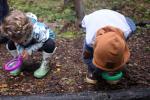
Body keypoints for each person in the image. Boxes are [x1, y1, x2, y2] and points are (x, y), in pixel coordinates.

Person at [81, 9, 136, 84]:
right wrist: (98, 68)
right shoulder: (90, 40)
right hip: (93, 18)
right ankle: (92, 70)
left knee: (117, 48)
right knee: (89, 55)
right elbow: (86, 58)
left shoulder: (127, 30)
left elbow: (131, 22)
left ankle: (115, 64)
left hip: (116, 18)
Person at [1, 10, 56, 78]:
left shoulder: (38, 30)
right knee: (10, 43)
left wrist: (29, 50)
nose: (15, 40)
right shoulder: (15, 32)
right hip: (25, 39)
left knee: (50, 44)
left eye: (17, 39)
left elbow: (42, 41)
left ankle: (45, 64)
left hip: (41, 41)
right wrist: (20, 51)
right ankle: (18, 62)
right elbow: (16, 42)